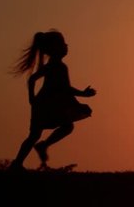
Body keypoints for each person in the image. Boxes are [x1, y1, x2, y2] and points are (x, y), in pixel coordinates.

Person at [9, 30, 96, 171]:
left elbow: (33, 79)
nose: (66, 46)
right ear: (55, 48)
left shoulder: (52, 65)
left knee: (34, 135)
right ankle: (37, 150)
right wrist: (83, 94)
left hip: (44, 103)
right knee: (65, 127)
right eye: (63, 44)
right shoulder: (59, 67)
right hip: (48, 104)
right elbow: (65, 88)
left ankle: (18, 163)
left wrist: (32, 99)